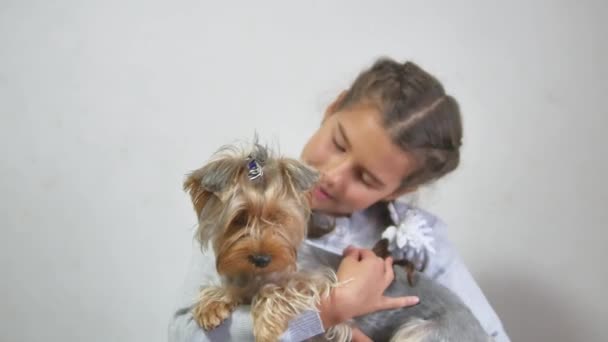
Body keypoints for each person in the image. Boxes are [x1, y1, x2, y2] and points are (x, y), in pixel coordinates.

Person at [168, 58, 510, 342]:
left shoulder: (422, 243)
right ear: (333, 108)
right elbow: (185, 335)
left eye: (366, 177)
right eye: (339, 143)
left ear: (397, 190)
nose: (331, 175)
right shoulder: (244, 199)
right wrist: (328, 312)